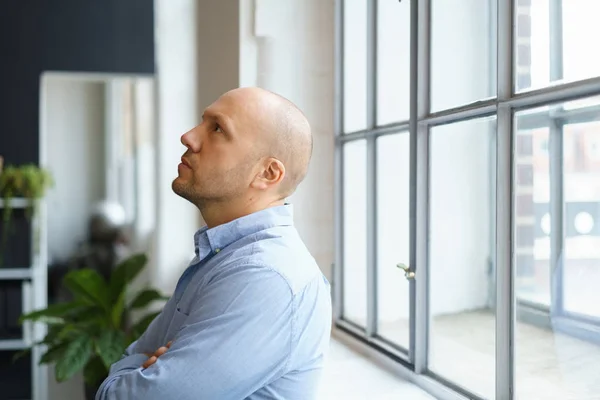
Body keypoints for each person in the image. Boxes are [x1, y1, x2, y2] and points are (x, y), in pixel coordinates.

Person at [95, 87, 332, 400]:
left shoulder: (265, 276)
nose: (189, 137)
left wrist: (135, 371)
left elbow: (124, 396)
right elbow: (132, 371)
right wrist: (139, 369)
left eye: (217, 129)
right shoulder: (223, 256)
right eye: (202, 122)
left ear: (267, 173)